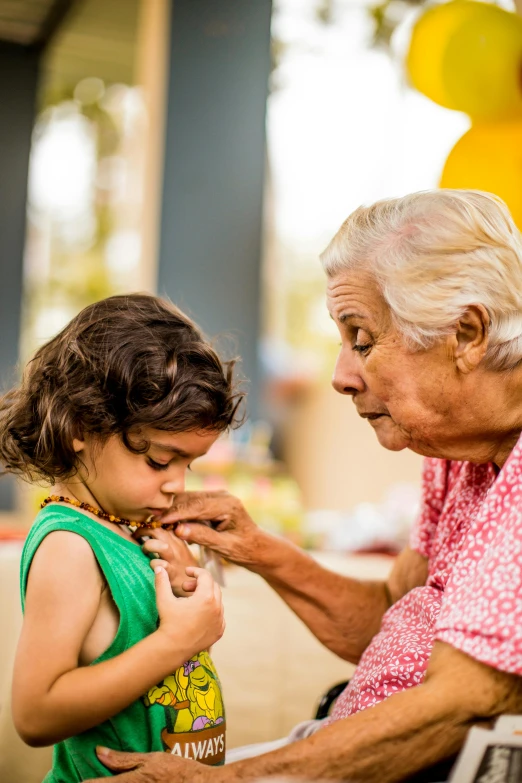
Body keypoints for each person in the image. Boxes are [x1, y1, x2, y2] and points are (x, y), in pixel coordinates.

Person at [86, 190, 522, 783]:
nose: (342, 376)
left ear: (467, 333)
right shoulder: (454, 452)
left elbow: (462, 702)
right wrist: (256, 547)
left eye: (361, 338)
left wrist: (227, 780)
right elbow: (394, 623)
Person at [0, 294, 243, 781]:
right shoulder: (71, 545)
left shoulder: (130, 528)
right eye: (159, 460)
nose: (177, 483)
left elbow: (169, 684)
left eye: (188, 464)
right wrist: (177, 640)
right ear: (81, 426)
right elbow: (35, 714)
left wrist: (183, 587)